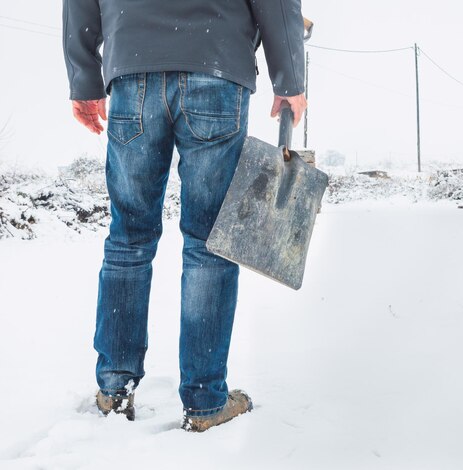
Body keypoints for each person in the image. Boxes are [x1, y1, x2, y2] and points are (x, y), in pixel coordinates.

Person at [62, 0, 307, 432]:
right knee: (209, 243)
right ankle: (205, 400)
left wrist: (84, 79)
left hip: (133, 69)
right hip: (215, 64)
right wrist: (288, 76)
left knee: (129, 238)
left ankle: (114, 390)